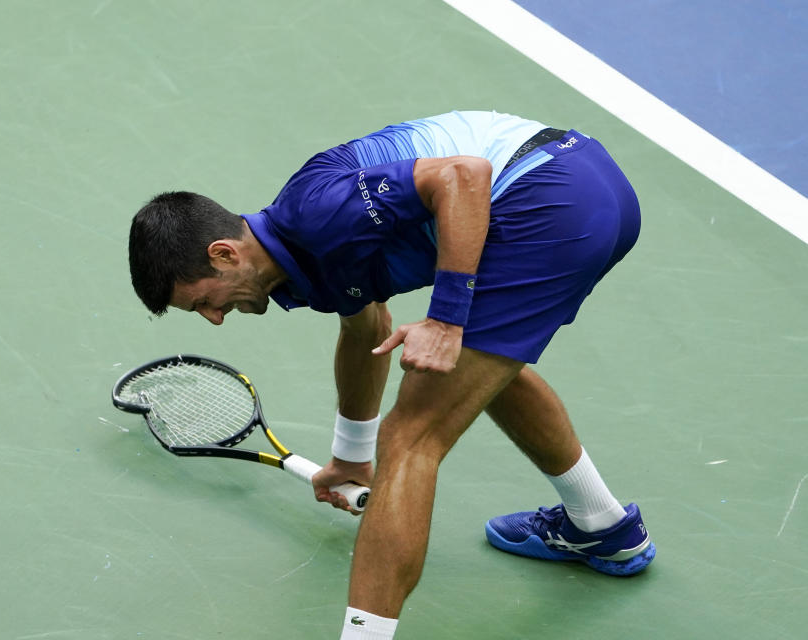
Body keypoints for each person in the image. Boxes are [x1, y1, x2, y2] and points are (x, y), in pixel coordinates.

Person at [127, 110, 655, 639]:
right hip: (588, 188)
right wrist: (351, 457)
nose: (215, 319)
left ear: (224, 254)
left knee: (410, 436)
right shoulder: (303, 259)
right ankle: (601, 524)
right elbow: (365, 332)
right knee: (476, 373)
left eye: (203, 303)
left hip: (548, 194)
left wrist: (447, 318)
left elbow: (463, 176)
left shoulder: (316, 212)